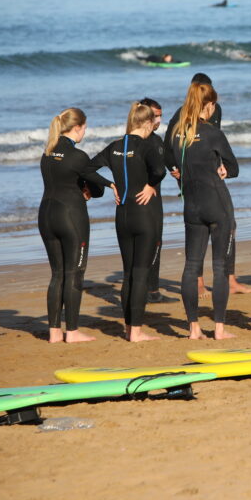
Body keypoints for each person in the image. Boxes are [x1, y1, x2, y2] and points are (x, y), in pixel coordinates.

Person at [164, 73, 251, 295]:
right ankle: (199, 282)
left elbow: (216, 141)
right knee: (199, 231)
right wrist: (174, 169)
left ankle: (230, 281)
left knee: (227, 226)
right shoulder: (180, 116)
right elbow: (167, 146)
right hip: (192, 179)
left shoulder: (217, 111)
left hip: (212, 177)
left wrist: (221, 165)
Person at [170, 82, 240, 339]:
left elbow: (177, 166)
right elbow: (233, 166)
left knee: (191, 266)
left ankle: (194, 328)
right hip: (216, 204)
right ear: (208, 105)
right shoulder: (212, 133)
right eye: (213, 105)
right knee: (219, 266)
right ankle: (219, 329)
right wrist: (225, 170)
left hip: (191, 206)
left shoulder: (178, 133)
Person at [39, 107, 115, 343]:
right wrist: (103, 186)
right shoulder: (78, 156)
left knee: (57, 274)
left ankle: (54, 332)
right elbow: (97, 188)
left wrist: (82, 184)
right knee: (75, 273)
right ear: (78, 128)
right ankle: (71, 332)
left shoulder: (47, 152)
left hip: (46, 215)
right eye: (85, 127)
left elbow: (67, 178)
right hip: (71, 217)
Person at [91, 102, 165, 341]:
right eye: (152, 121)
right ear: (145, 123)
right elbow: (160, 171)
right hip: (144, 214)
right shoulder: (147, 145)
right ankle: (136, 332)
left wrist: (109, 185)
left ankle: (127, 328)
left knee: (128, 274)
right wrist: (150, 185)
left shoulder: (114, 146)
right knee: (141, 274)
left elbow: (88, 168)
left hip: (122, 215)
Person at [137, 97, 175, 305]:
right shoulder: (134, 140)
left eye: (161, 115)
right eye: (156, 115)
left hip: (155, 201)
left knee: (157, 244)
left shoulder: (157, 140)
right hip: (139, 201)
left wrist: (175, 169)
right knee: (142, 246)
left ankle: (153, 290)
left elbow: (165, 162)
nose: (159, 119)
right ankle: (141, 290)